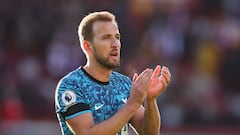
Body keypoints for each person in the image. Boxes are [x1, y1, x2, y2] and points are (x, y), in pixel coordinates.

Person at [55, 11, 171, 135]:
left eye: (117, 37)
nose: (115, 44)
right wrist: (132, 105)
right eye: (106, 38)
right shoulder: (71, 86)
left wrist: (150, 100)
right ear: (88, 47)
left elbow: (149, 133)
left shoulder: (124, 83)